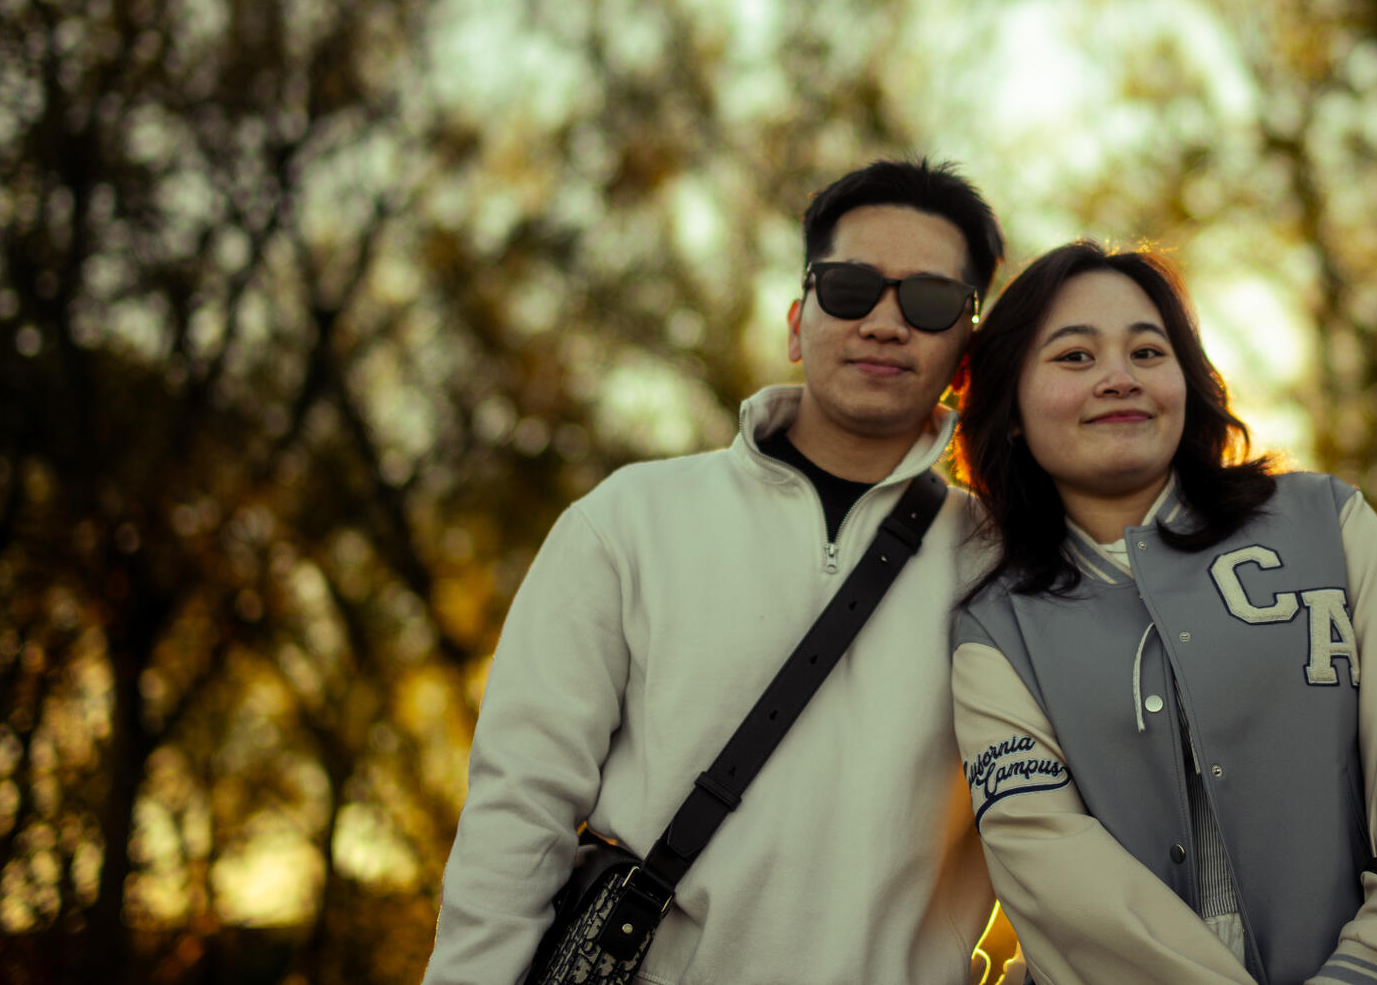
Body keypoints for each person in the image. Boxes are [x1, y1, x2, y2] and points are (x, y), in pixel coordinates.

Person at [425, 159, 1007, 985]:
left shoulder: (1005, 564)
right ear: (797, 322)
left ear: (964, 352)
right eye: (850, 288)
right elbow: (519, 807)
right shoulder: (628, 520)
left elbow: (1074, 828)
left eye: (930, 300)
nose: (885, 321)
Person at [950, 241, 1377, 985]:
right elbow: (1055, 875)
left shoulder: (1331, 527)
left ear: (1187, 381)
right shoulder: (994, 630)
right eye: (1074, 358)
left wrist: (1372, 971)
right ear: (1010, 411)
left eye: (1149, 352)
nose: (1119, 378)